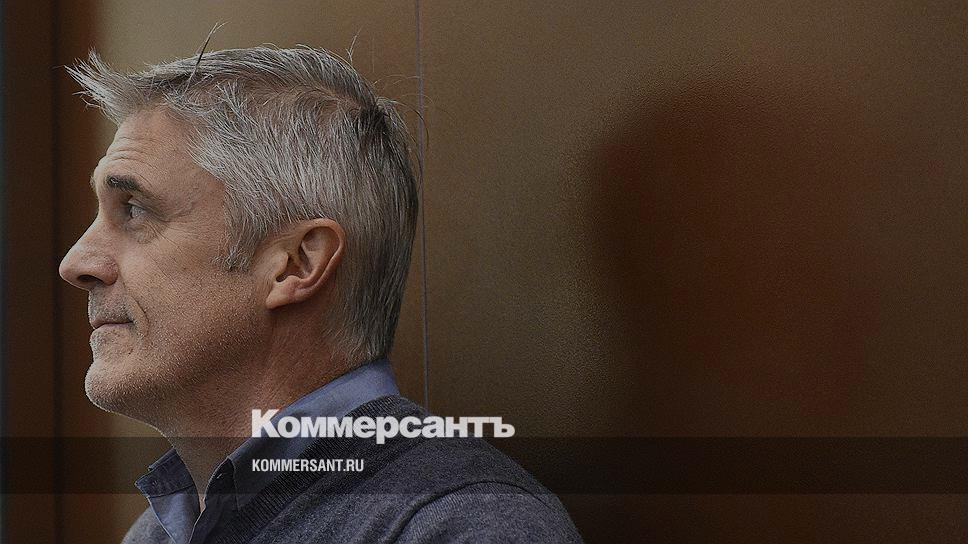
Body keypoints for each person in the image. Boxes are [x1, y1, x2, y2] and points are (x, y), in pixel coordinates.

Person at [57, 46, 582, 544]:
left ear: (296, 263)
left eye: (134, 210)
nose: (76, 263)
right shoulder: (159, 531)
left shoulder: (464, 525)